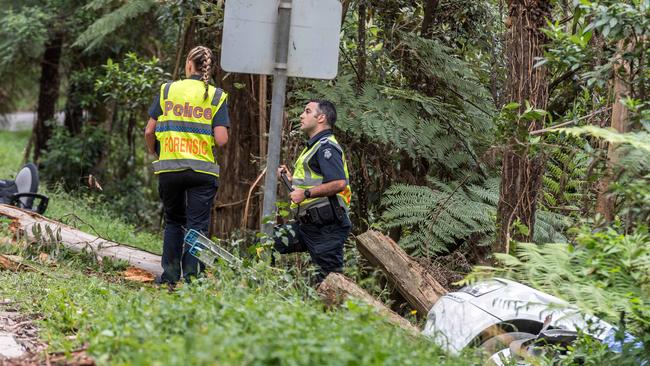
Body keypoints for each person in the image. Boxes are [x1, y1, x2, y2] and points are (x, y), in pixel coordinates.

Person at [144, 46, 230, 284]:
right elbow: (222, 140)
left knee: (173, 221)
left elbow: (149, 130)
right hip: (202, 171)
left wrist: (154, 150)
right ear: (208, 69)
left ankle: (169, 276)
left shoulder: (168, 90)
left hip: (170, 168)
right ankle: (193, 280)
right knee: (197, 225)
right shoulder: (215, 95)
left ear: (189, 65)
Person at [273, 99, 352, 284]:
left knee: (329, 285)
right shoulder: (313, 146)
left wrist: (306, 194)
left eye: (307, 111)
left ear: (321, 118)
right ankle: (263, 295)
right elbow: (310, 184)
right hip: (307, 225)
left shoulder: (326, 146)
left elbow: (339, 183)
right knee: (267, 242)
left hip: (327, 227)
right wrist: (290, 180)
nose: (302, 115)